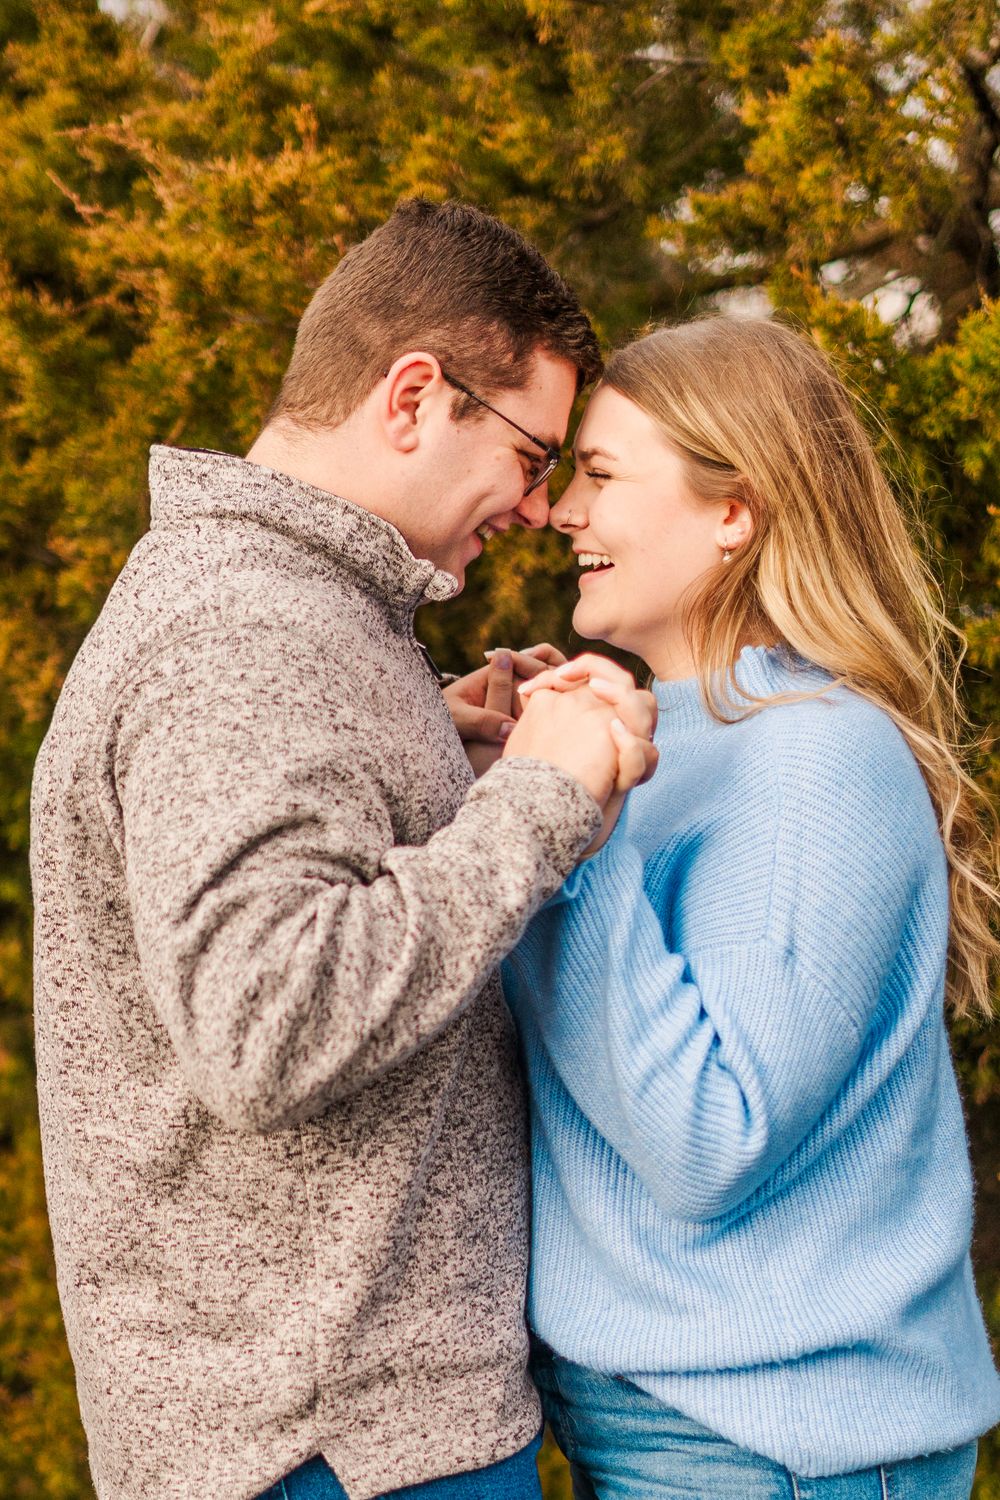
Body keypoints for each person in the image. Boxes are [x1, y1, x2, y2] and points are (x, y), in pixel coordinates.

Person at [29, 198, 657, 1500]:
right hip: (335, 1443)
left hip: (329, 1425)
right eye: (535, 455)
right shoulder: (250, 634)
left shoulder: (293, 612)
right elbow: (268, 1017)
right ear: (416, 396)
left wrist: (448, 766)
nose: (540, 511)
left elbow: (279, 874)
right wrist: (536, 802)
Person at [499, 315, 1000, 1498]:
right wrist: (508, 790)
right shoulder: (672, 734)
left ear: (736, 511)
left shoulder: (818, 757)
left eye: (603, 475)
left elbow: (707, 1140)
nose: (564, 511)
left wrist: (573, 821)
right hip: (666, 1426)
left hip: (776, 1445)